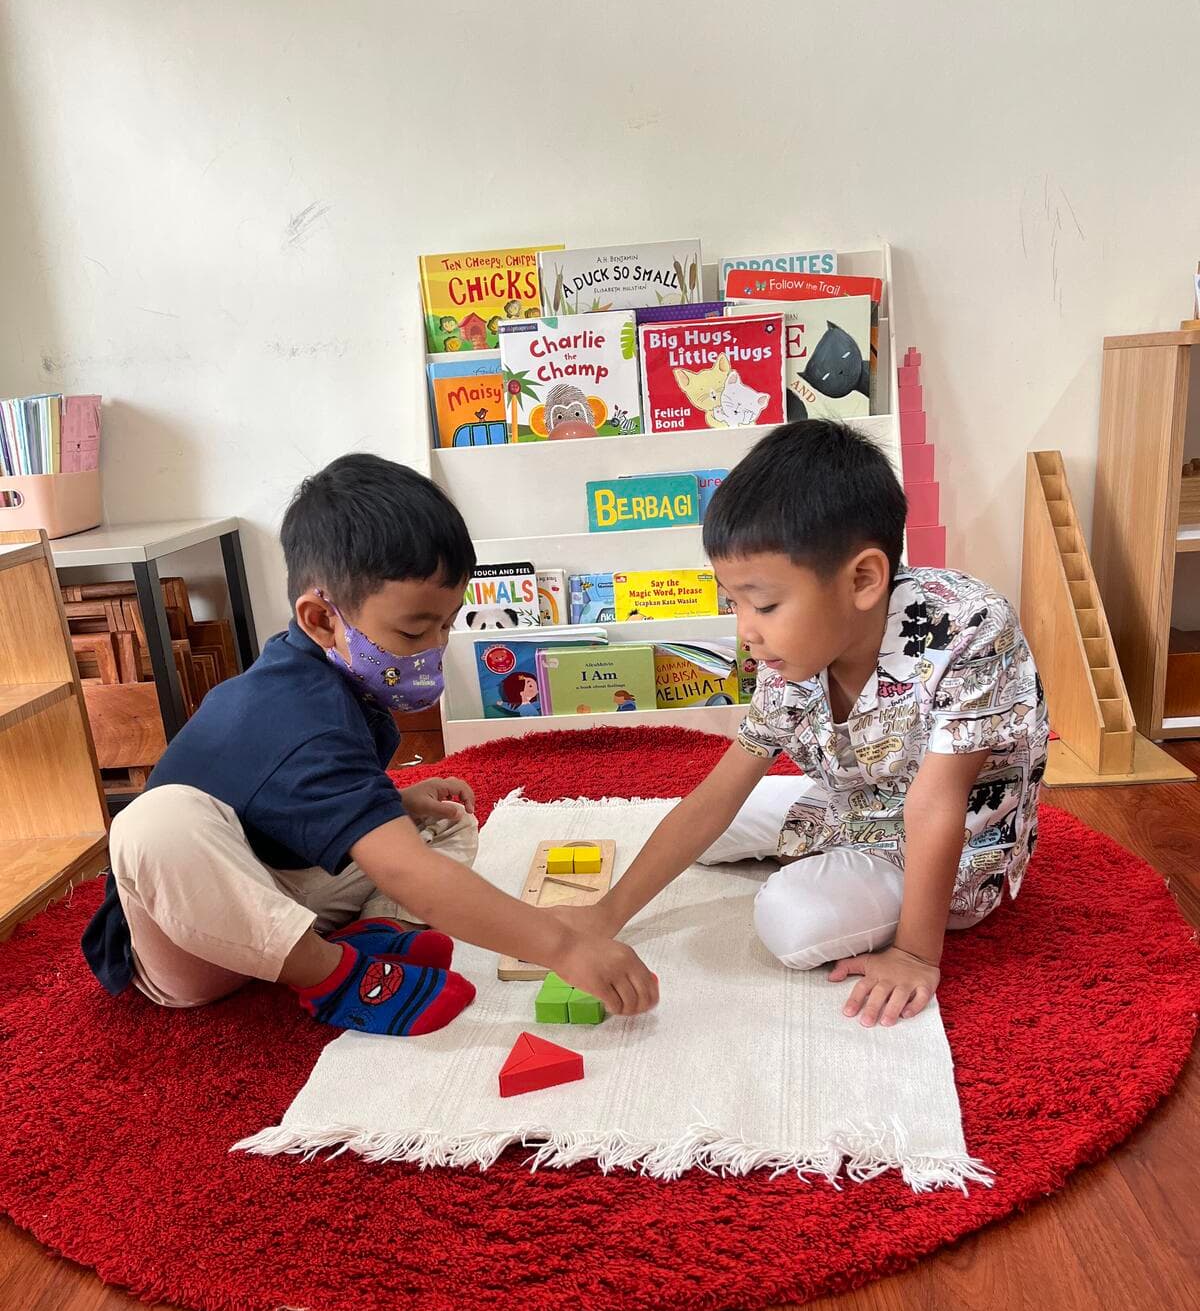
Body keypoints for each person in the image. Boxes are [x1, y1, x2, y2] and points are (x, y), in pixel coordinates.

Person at [82, 455, 658, 1035]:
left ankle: (378, 934)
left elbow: (298, 802)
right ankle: (333, 975)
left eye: (447, 624)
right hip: (195, 939)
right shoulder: (295, 716)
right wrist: (561, 947)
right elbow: (407, 872)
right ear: (321, 619)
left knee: (446, 818)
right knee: (154, 822)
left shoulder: (345, 683)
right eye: (413, 630)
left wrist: (395, 804)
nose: (433, 647)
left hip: (289, 894)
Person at [552, 421, 1047, 1029]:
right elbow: (718, 794)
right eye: (732, 602)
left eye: (763, 604)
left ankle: (870, 888)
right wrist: (606, 915)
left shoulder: (969, 627)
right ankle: (829, 846)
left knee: (790, 922)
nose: (745, 630)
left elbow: (935, 805)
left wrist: (916, 955)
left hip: (956, 838)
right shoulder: (794, 650)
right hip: (854, 796)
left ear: (863, 579)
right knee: (706, 834)